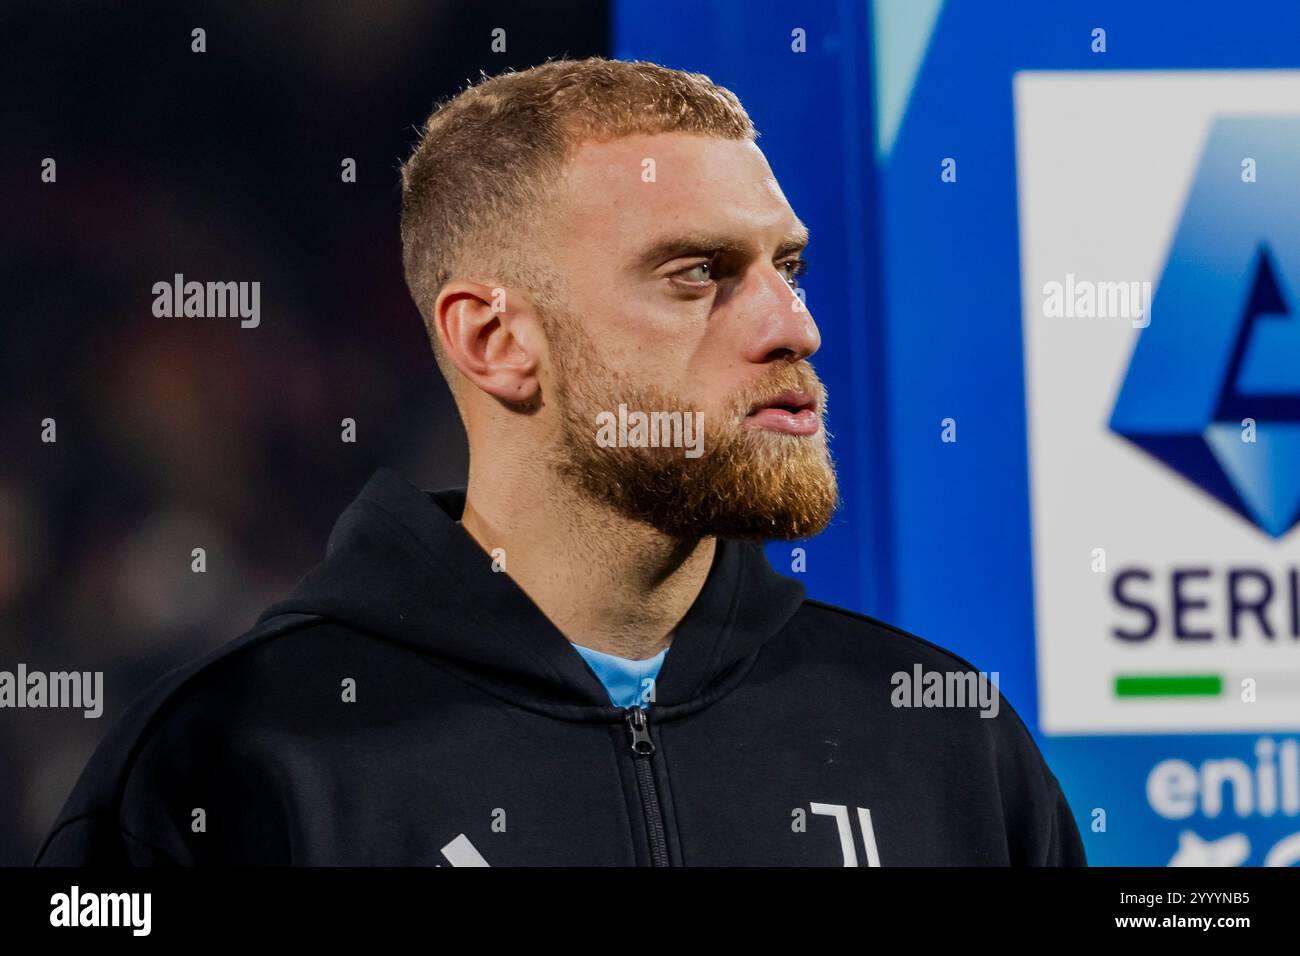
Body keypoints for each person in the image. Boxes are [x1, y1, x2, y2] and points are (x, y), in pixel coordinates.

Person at [36, 57, 1085, 866]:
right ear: (494, 340)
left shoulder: (946, 740)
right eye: (696, 274)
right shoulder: (230, 759)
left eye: (787, 266)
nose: (791, 325)